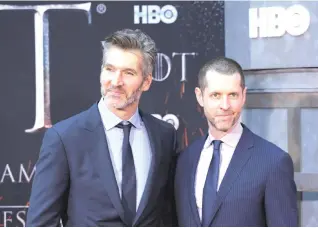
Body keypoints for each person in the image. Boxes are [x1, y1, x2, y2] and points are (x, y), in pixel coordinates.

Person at [26, 29, 178, 227]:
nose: (116, 82)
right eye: (110, 69)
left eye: (128, 73)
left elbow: (170, 214)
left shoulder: (164, 136)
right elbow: (41, 222)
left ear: (147, 82)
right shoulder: (65, 138)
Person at [174, 57, 298, 226]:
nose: (225, 105)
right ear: (200, 97)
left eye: (232, 95)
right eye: (216, 95)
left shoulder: (273, 162)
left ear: (243, 96)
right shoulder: (186, 159)